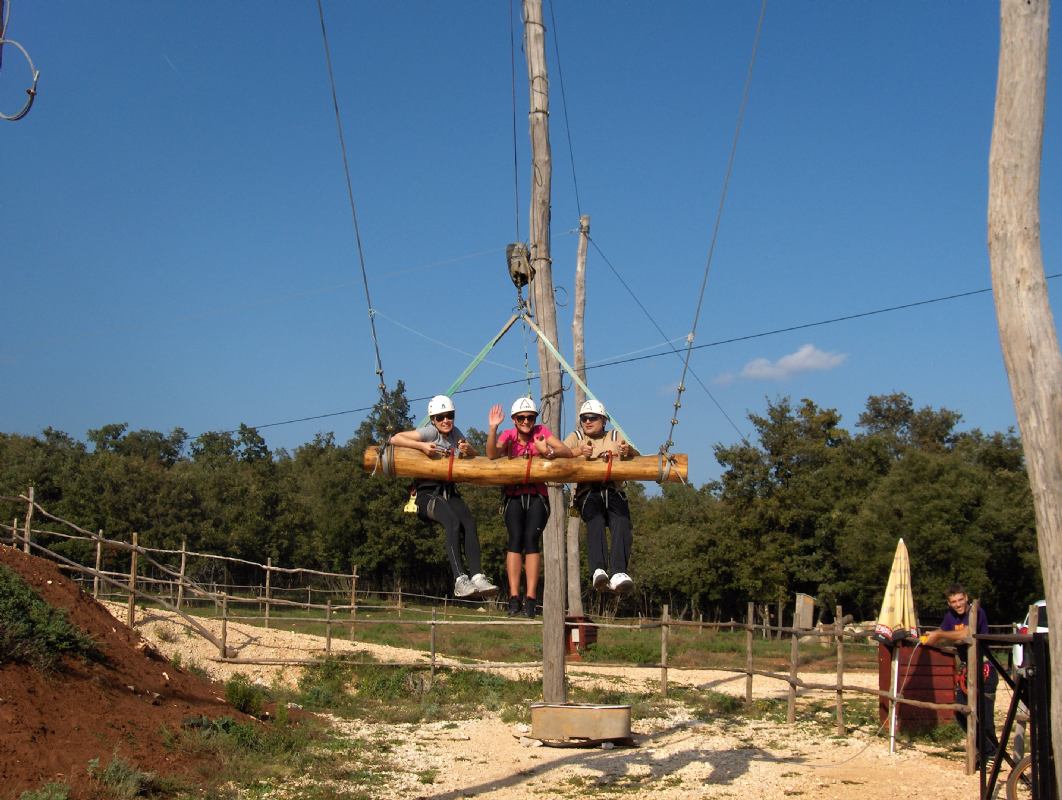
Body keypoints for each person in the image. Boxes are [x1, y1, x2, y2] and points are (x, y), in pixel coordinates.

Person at [389, 395, 498, 600]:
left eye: (449, 416)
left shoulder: (455, 433)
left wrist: (469, 449)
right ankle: (460, 579)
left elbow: (472, 453)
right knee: (453, 522)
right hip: (426, 493)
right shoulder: (430, 432)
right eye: (440, 417)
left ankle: (477, 575)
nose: (446, 421)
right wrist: (421, 447)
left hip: (448, 491)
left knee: (469, 523)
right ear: (433, 420)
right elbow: (395, 439)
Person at [486, 397, 572, 618]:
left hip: (537, 496)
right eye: (522, 418)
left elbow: (566, 451)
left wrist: (546, 451)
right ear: (514, 420)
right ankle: (514, 598)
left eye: (530, 417)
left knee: (531, 541)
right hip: (514, 495)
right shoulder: (508, 436)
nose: (526, 421)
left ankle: (531, 599)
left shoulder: (541, 432)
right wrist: (493, 428)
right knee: (515, 540)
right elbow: (491, 454)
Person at [563, 399, 640, 594]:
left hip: (613, 489)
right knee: (595, 521)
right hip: (588, 491)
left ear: (603, 420)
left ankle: (618, 572)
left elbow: (637, 457)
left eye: (593, 418)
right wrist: (578, 452)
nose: (587, 422)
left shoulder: (614, 436)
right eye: (584, 418)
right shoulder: (576, 437)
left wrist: (627, 451)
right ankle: (598, 569)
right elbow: (558, 454)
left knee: (621, 522)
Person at [922, 584, 999, 763]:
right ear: (949, 604)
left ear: (966, 597)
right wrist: (930, 638)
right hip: (966, 672)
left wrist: (939, 634)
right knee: (961, 711)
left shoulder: (976, 612)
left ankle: (992, 753)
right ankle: (987, 750)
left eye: (960, 599)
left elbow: (966, 632)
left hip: (984, 670)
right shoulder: (950, 617)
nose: (958, 604)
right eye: (953, 601)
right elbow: (945, 636)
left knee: (985, 718)